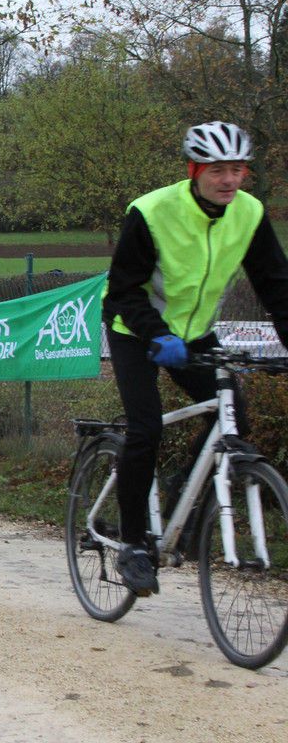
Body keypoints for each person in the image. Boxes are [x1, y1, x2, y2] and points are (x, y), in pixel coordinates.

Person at [104, 121, 288, 597]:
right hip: (135, 330)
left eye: (237, 169)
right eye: (217, 170)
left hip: (196, 334)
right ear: (194, 171)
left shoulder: (248, 214)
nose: (229, 180)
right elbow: (124, 290)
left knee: (233, 416)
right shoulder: (152, 212)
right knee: (146, 428)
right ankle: (133, 545)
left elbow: (276, 287)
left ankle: (181, 488)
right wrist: (157, 333)